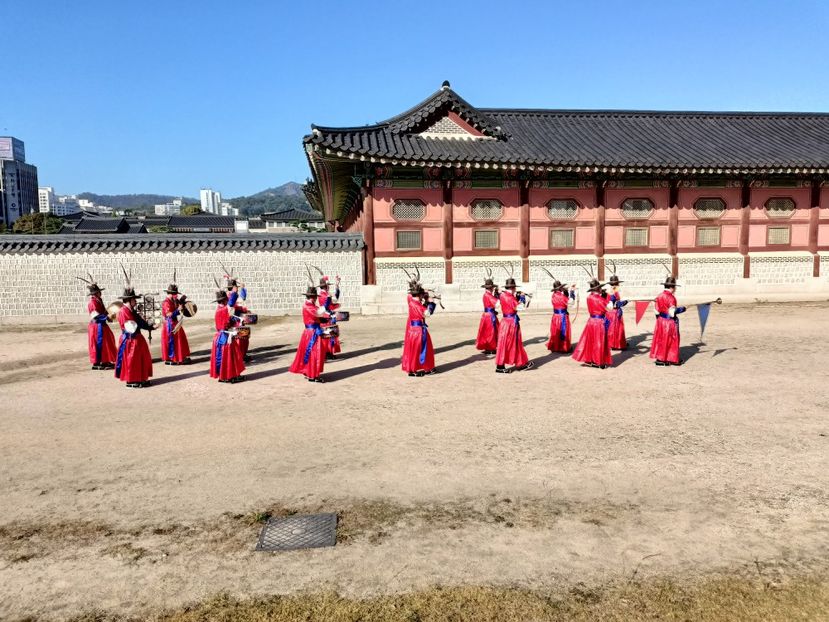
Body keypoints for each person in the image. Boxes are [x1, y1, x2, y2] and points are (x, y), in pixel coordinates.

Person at [114, 287, 154, 387]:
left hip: (135, 338)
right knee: (132, 360)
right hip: (130, 340)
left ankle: (140, 378)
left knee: (140, 359)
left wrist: (150, 326)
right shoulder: (124, 311)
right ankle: (132, 380)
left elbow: (139, 322)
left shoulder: (131, 310)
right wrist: (140, 319)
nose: (135, 301)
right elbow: (131, 327)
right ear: (129, 300)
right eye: (134, 299)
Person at [289, 286, 330, 382]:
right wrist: (327, 301)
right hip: (312, 333)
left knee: (311, 353)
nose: (316, 299)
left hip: (311, 332)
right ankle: (313, 375)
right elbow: (318, 312)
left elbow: (317, 315)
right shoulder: (308, 306)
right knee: (314, 354)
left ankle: (309, 373)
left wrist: (323, 318)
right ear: (312, 297)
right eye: (315, 297)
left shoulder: (311, 305)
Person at [572, 278, 612, 369]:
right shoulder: (599, 299)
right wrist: (609, 299)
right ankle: (598, 361)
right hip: (599, 322)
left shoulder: (589, 297)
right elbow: (609, 308)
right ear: (598, 289)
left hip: (591, 321)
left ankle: (590, 359)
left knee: (591, 341)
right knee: (598, 342)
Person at [495, 277, 533, 373]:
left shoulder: (503, 295)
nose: (515, 289)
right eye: (514, 288)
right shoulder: (510, 297)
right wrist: (523, 298)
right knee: (514, 343)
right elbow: (520, 307)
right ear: (512, 288)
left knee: (504, 343)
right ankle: (519, 364)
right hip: (511, 323)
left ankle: (503, 365)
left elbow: (499, 305)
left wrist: (517, 297)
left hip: (505, 321)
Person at [80, 275, 117, 370]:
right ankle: (99, 362)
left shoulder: (99, 300)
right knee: (99, 344)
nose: (100, 293)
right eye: (99, 292)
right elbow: (95, 315)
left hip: (102, 324)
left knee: (107, 342)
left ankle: (105, 360)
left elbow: (103, 311)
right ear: (96, 293)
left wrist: (108, 317)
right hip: (96, 326)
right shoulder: (92, 303)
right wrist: (106, 317)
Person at [401, 280, 437, 377]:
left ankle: (412, 370)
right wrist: (431, 303)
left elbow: (410, 296)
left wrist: (423, 293)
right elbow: (428, 314)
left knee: (413, 350)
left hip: (411, 329)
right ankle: (427, 368)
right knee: (425, 349)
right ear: (420, 295)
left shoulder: (410, 301)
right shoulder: (420, 307)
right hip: (419, 331)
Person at [210, 288, 246, 383]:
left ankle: (225, 376)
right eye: (226, 299)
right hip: (224, 337)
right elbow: (231, 303)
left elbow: (227, 321)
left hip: (221, 336)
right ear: (224, 300)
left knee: (225, 357)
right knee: (230, 357)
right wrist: (234, 291)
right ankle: (230, 376)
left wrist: (238, 321)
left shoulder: (220, 309)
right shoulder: (222, 310)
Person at [650, 276, 686, 366]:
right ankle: (673, 359)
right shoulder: (671, 298)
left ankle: (661, 359)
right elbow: (672, 312)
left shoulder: (659, 296)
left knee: (662, 339)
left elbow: (656, 311)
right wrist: (681, 309)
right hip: (669, 322)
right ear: (672, 287)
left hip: (660, 321)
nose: (675, 289)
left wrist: (659, 320)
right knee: (672, 339)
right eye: (675, 287)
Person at [160, 273, 191, 366]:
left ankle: (180, 357)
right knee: (173, 342)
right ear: (171, 294)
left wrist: (182, 301)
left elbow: (178, 305)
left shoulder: (173, 301)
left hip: (175, 323)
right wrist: (178, 310)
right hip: (169, 325)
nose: (176, 296)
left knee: (180, 340)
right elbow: (169, 315)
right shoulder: (166, 302)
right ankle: (172, 358)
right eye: (175, 294)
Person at [545, 281, 577, 353]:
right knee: (563, 331)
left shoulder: (553, 295)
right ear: (560, 288)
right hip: (562, 316)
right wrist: (571, 293)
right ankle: (563, 347)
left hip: (555, 316)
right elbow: (571, 303)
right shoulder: (561, 297)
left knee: (556, 331)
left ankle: (555, 346)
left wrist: (565, 292)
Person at [227, 277, 253, 362]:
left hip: (239, 319)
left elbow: (243, 298)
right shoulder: (229, 295)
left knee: (244, 338)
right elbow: (231, 305)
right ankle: (239, 355)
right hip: (234, 320)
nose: (236, 288)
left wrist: (243, 289)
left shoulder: (235, 294)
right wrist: (235, 292)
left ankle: (243, 354)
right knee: (239, 338)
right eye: (236, 287)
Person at [317, 273, 342, 359]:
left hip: (329, 315)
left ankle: (330, 352)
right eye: (327, 285)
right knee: (328, 334)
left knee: (330, 334)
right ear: (325, 286)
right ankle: (327, 352)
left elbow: (335, 298)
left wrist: (337, 285)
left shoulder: (326, 293)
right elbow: (327, 305)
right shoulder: (322, 294)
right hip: (326, 316)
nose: (328, 287)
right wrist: (329, 297)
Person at [475, 275, 499, 355]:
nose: (493, 289)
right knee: (491, 332)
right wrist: (499, 296)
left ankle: (489, 347)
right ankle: (491, 347)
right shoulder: (488, 295)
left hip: (486, 315)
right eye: (492, 288)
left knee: (486, 331)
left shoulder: (486, 294)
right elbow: (497, 304)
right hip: (489, 316)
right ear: (491, 288)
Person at [606, 274, 629, 350]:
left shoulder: (610, 290)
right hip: (614, 312)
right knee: (616, 328)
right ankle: (617, 344)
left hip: (610, 313)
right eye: (618, 284)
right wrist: (624, 302)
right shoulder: (613, 291)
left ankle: (613, 343)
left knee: (611, 328)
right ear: (616, 284)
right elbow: (613, 303)